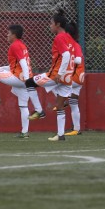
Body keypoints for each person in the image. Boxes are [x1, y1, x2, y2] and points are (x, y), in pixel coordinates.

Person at [0, 24, 42, 138]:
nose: (7, 35)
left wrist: (26, 79)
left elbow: (23, 64)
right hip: (25, 78)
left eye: (8, 33)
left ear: (14, 35)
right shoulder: (22, 45)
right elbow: (17, 65)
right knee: (23, 105)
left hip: (20, 78)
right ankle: (25, 132)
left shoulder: (14, 45)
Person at [27, 9, 75, 142]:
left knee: (29, 83)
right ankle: (60, 135)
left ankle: (39, 111)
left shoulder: (59, 37)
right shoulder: (69, 38)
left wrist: (59, 73)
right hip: (68, 77)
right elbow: (73, 57)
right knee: (60, 107)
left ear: (58, 24)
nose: (50, 25)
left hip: (56, 75)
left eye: (51, 23)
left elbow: (65, 55)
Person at [65, 20, 85, 137]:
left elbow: (76, 60)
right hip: (80, 77)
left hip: (74, 76)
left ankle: (63, 99)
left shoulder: (71, 45)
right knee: (74, 103)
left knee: (52, 83)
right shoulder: (76, 45)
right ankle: (76, 129)